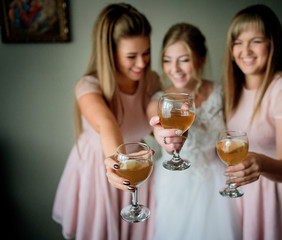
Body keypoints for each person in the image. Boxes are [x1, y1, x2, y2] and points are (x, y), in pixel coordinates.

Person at [52, 3, 159, 240]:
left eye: (147, 52)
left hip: (140, 171)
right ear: (109, 53)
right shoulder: (89, 86)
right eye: (131, 56)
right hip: (99, 171)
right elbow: (107, 124)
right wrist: (116, 163)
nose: (141, 63)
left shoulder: (151, 81)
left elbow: (155, 118)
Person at [222, 4, 282, 239]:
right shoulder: (232, 89)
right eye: (238, 42)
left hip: (277, 194)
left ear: (272, 43)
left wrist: (261, 162)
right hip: (245, 191)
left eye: (255, 40)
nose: (245, 50)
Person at [146, 23, 241, 240]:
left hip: (218, 180)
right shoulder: (157, 101)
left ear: (202, 59)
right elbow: (158, 128)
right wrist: (166, 138)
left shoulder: (220, 93)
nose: (175, 69)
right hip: (176, 183)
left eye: (184, 59)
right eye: (167, 60)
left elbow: (239, 126)